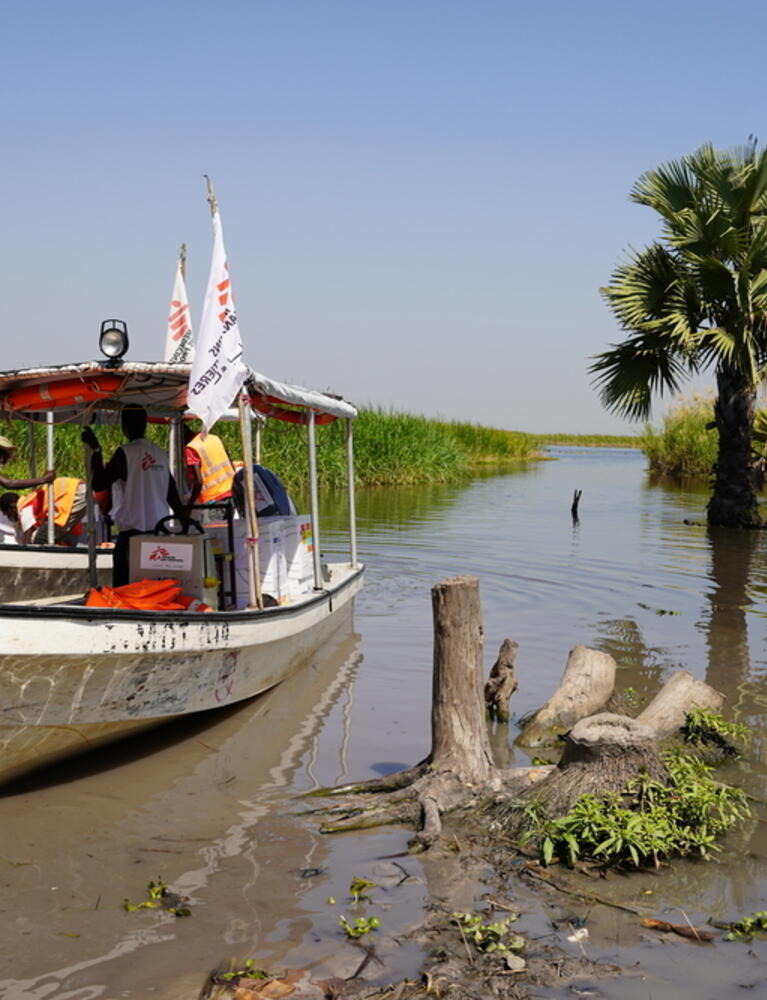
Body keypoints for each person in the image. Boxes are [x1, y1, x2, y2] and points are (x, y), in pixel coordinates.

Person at [82, 405, 184, 586]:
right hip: (158, 534)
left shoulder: (126, 453)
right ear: (145, 424)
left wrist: (97, 451)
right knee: (153, 587)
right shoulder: (160, 454)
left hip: (132, 536)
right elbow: (173, 495)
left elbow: (99, 484)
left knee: (126, 588)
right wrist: (184, 528)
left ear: (124, 426)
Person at [17, 476, 88, 545]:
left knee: (38, 538)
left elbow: (27, 533)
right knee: (51, 535)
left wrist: (25, 552)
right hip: (78, 489)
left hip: (73, 493)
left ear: (11, 509)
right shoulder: (29, 500)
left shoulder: (21, 508)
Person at [181, 423, 235, 511]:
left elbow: (198, 482)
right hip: (231, 492)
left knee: (213, 525)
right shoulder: (213, 438)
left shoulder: (191, 448)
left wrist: (190, 506)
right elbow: (230, 462)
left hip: (213, 499)